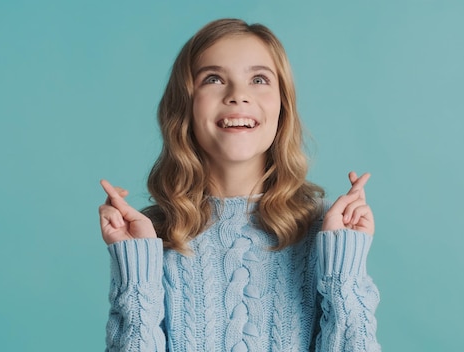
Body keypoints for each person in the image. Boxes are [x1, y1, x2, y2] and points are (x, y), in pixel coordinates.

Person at [98, 18, 381, 352]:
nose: (238, 96)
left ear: (282, 105)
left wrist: (343, 272)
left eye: (259, 79)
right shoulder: (152, 235)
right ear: (185, 104)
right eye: (214, 79)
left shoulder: (325, 232)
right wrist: (136, 269)